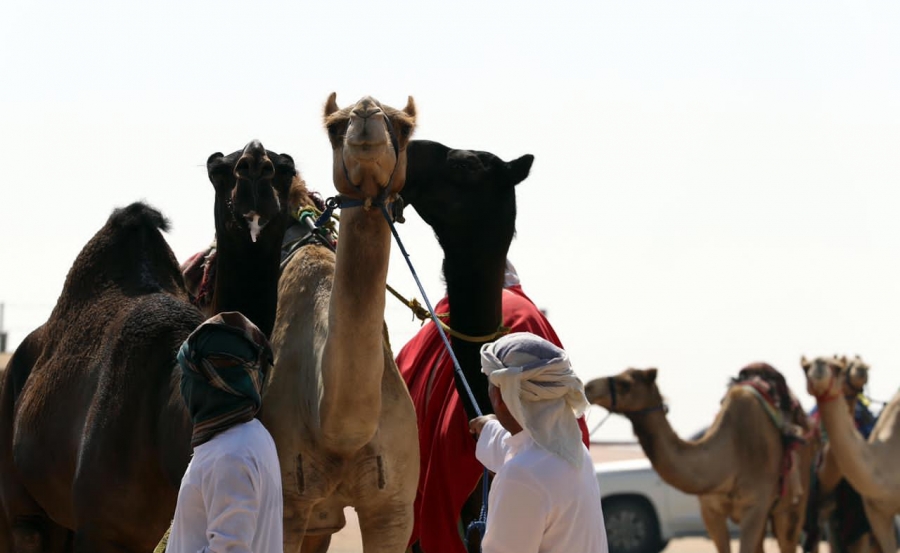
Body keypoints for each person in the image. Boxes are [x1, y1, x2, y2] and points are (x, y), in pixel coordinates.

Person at [468, 332, 608, 553]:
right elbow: (526, 452)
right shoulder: (573, 450)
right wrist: (488, 428)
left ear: (500, 397)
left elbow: (527, 472)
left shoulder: (521, 476)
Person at [162, 311, 283, 553]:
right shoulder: (252, 435)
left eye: (187, 376)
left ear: (210, 384)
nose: (183, 386)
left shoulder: (231, 456)